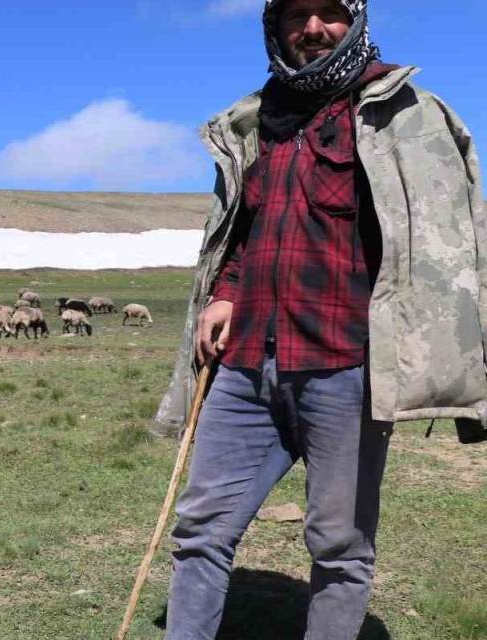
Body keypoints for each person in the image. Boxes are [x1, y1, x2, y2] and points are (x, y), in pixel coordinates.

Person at [152, 0, 487, 638]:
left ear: (354, 20)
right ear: (273, 28)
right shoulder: (259, 119)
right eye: (295, 15)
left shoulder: (405, 117)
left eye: (330, 11)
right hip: (247, 362)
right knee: (199, 531)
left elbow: (445, 240)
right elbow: (240, 232)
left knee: (339, 546)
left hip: (347, 366)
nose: (313, 29)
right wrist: (224, 290)